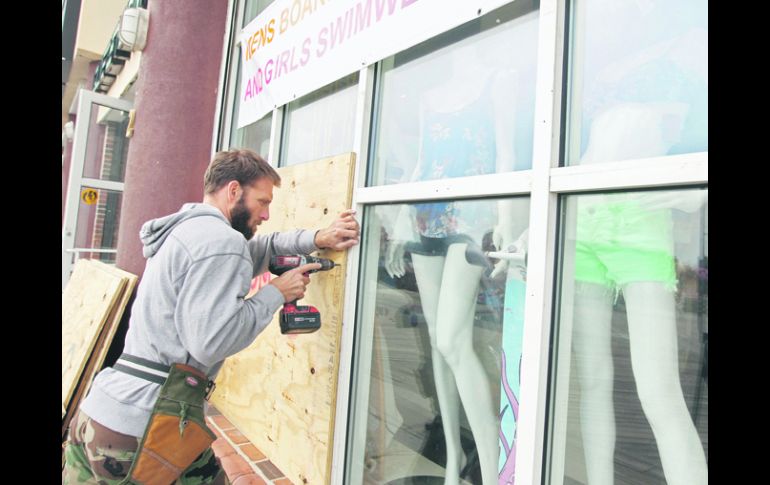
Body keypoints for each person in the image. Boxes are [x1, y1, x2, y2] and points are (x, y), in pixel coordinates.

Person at [62, 148, 360, 484]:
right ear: (234, 191)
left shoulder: (189, 232)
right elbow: (211, 342)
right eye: (263, 202)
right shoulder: (221, 242)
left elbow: (258, 250)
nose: (266, 214)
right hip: (146, 428)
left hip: (98, 415)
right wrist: (277, 292)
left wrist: (316, 238)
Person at [385, 40, 528, 485]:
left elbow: (506, 155)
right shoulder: (430, 98)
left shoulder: (497, 81)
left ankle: (489, 462)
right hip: (426, 218)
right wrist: (398, 224)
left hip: (471, 218)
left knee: (452, 339)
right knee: (439, 344)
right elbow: (424, 162)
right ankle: (452, 459)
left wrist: (505, 217)